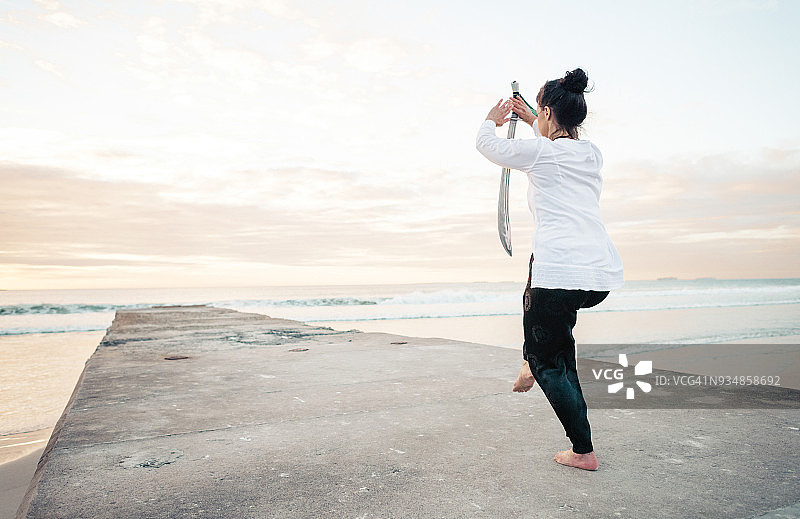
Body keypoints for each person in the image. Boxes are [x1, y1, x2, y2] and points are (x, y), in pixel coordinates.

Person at [475, 68, 623, 471]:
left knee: (552, 365)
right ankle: (532, 356)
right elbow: (553, 141)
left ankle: (582, 450)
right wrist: (530, 118)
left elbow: (487, 146)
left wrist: (492, 118)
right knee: (553, 336)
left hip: (560, 275)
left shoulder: (540, 154)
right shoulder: (591, 154)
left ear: (546, 111)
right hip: (597, 274)